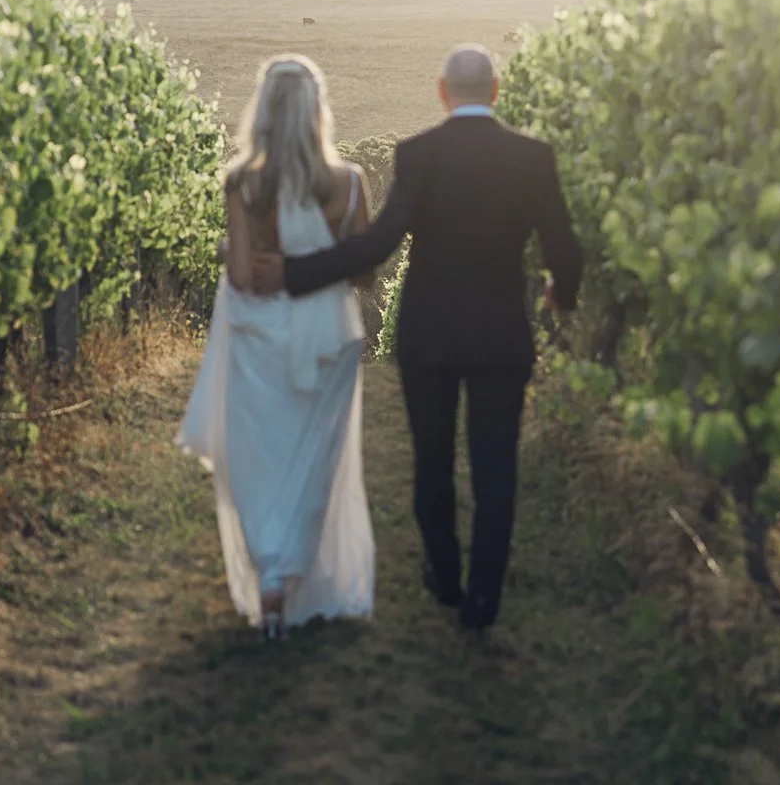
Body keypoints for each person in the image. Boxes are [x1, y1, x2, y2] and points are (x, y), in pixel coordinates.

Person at [252, 44, 581, 633]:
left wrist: (297, 273)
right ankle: (482, 601)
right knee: (495, 466)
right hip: (502, 335)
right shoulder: (532, 157)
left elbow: (379, 245)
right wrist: (564, 291)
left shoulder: (419, 154)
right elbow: (563, 245)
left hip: (430, 335)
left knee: (432, 460)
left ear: (441, 93)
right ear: (496, 91)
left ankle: (445, 574)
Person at [178, 54, 376, 640]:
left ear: (262, 111)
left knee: (260, 461)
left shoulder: (243, 182)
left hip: (260, 339)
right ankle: (291, 576)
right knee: (314, 461)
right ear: (319, 111)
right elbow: (364, 272)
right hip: (328, 335)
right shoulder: (350, 183)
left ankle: (270, 574)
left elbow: (242, 277)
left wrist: (249, 256)